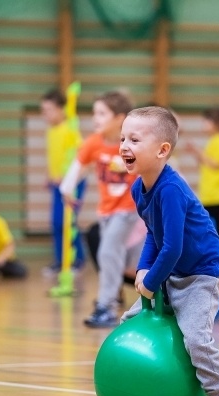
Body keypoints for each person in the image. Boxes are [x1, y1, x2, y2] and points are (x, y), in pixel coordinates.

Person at [90, 106, 219, 396]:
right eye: (123, 139)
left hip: (202, 274)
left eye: (135, 139)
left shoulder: (171, 189)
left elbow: (172, 246)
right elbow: (153, 236)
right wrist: (145, 268)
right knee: (127, 324)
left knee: (196, 340)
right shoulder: (138, 190)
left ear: (162, 150)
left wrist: (152, 279)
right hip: (173, 271)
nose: (125, 146)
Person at [59, 91, 139, 328]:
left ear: (119, 118)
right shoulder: (94, 142)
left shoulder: (131, 144)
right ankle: (118, 300)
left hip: (129, 209)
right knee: (121, 260)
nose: (96, 118)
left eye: (102, 113)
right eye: (95, 113)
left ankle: (106, 306)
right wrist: (67, 189)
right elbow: (78, 165)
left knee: (107, 252)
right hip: (106, 211)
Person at [40, 88, 85, 276]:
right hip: (57, 184)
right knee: (57, 223)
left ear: (61, 109)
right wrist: (50, 176)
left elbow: (80, 158)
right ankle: (61, 261)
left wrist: (68, 178)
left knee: (65, 222)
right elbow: (55, 157)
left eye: (49, 110)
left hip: (73, 183)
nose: (45, 115)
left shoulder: (70, 130)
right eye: (43, 110)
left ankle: (76, 260)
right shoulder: (51, 131)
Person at [184, 107, 219, 253]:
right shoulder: (213, 141)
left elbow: (216, 164)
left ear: (217, 123)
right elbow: (205, 163)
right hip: (210, 192)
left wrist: (197, 151)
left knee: (217, 226)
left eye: (207, 121)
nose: (204, 124)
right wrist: (196, 153)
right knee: (212, 225)